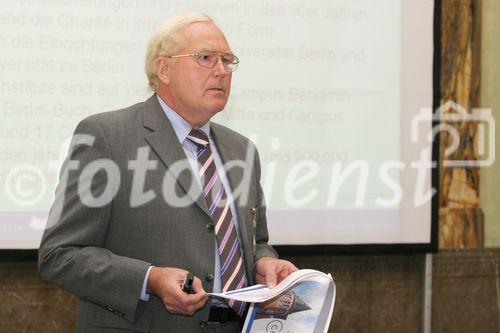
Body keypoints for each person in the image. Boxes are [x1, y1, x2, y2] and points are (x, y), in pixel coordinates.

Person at [38, 13, 297, 333]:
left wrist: (264, 263)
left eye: (227, 61)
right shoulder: (106, 137)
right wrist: (151, 279)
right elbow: (60, 255)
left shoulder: (241, 150)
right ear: (164, 69)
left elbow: (255, 242)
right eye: (205, 58)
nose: (221, 71)